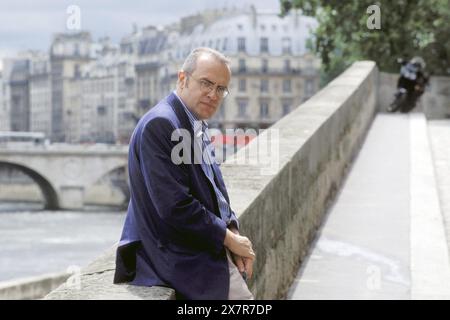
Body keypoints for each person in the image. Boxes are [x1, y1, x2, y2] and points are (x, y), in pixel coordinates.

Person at [113, 47, 256, 300]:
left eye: (221, 89)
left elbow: (215, 187)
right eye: (206, 83)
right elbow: (174, 207)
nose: (213, 94)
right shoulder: (162, 124)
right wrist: (228, 239)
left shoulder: (192, 121)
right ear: (182, 79)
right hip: (175, 255)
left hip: (196, 245)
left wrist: (232, 227)